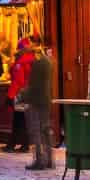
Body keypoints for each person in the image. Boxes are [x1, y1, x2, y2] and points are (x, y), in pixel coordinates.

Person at [24, 35, 55, 171]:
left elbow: (33, 83)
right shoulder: (48, 60)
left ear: (35, 44)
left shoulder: (37, 61)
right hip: (45, 98)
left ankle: (39, 160)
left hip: (37, 99)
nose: (28, 46)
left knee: (36, 130)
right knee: (45, 129)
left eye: (30, 43)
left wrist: (25, 96)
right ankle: (49, 159)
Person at [7, 37, 35, 153]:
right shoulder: (32, 59)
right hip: (29, 92)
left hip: (20, 93)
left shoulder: (21, 62)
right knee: (22, 119)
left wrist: (10, 95)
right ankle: (18, 144)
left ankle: (20, 144)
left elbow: (18, 81)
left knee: (19, 119)